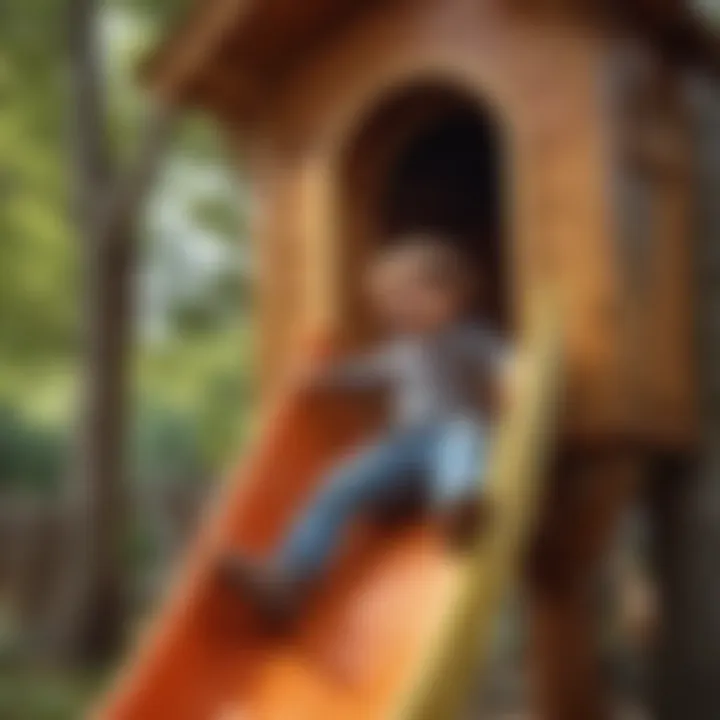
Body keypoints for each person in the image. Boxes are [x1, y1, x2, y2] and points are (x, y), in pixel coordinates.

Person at [219, 234, 511, 625]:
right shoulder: (401, 350)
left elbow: (508, 364)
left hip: (451, 445)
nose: (396, 310)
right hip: (405, 453)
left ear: (451, 296)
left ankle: (458, 505)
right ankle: (289, 579)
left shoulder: (471, 338)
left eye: (408, 297)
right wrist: (317, 378)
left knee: (463, 435)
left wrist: (516, 382)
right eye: (389, 303)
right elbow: (363, 374)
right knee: (336, 485)